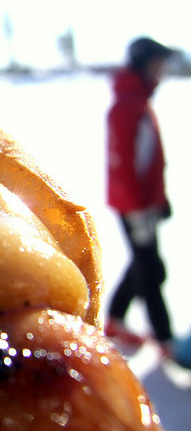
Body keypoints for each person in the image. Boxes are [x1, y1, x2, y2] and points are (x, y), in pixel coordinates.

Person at [104, 36, 174, 352]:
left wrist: (161, 199)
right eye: (157, 64)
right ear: (142, 64)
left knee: (144, 263)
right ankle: (166, 339)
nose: (161, 71)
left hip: (145, 204)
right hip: (133, 206)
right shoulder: (126, 107)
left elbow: (151, 160)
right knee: (151, 270)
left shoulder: (139, 102)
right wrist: (136, 210)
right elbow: (122, 164)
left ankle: (115, 319)